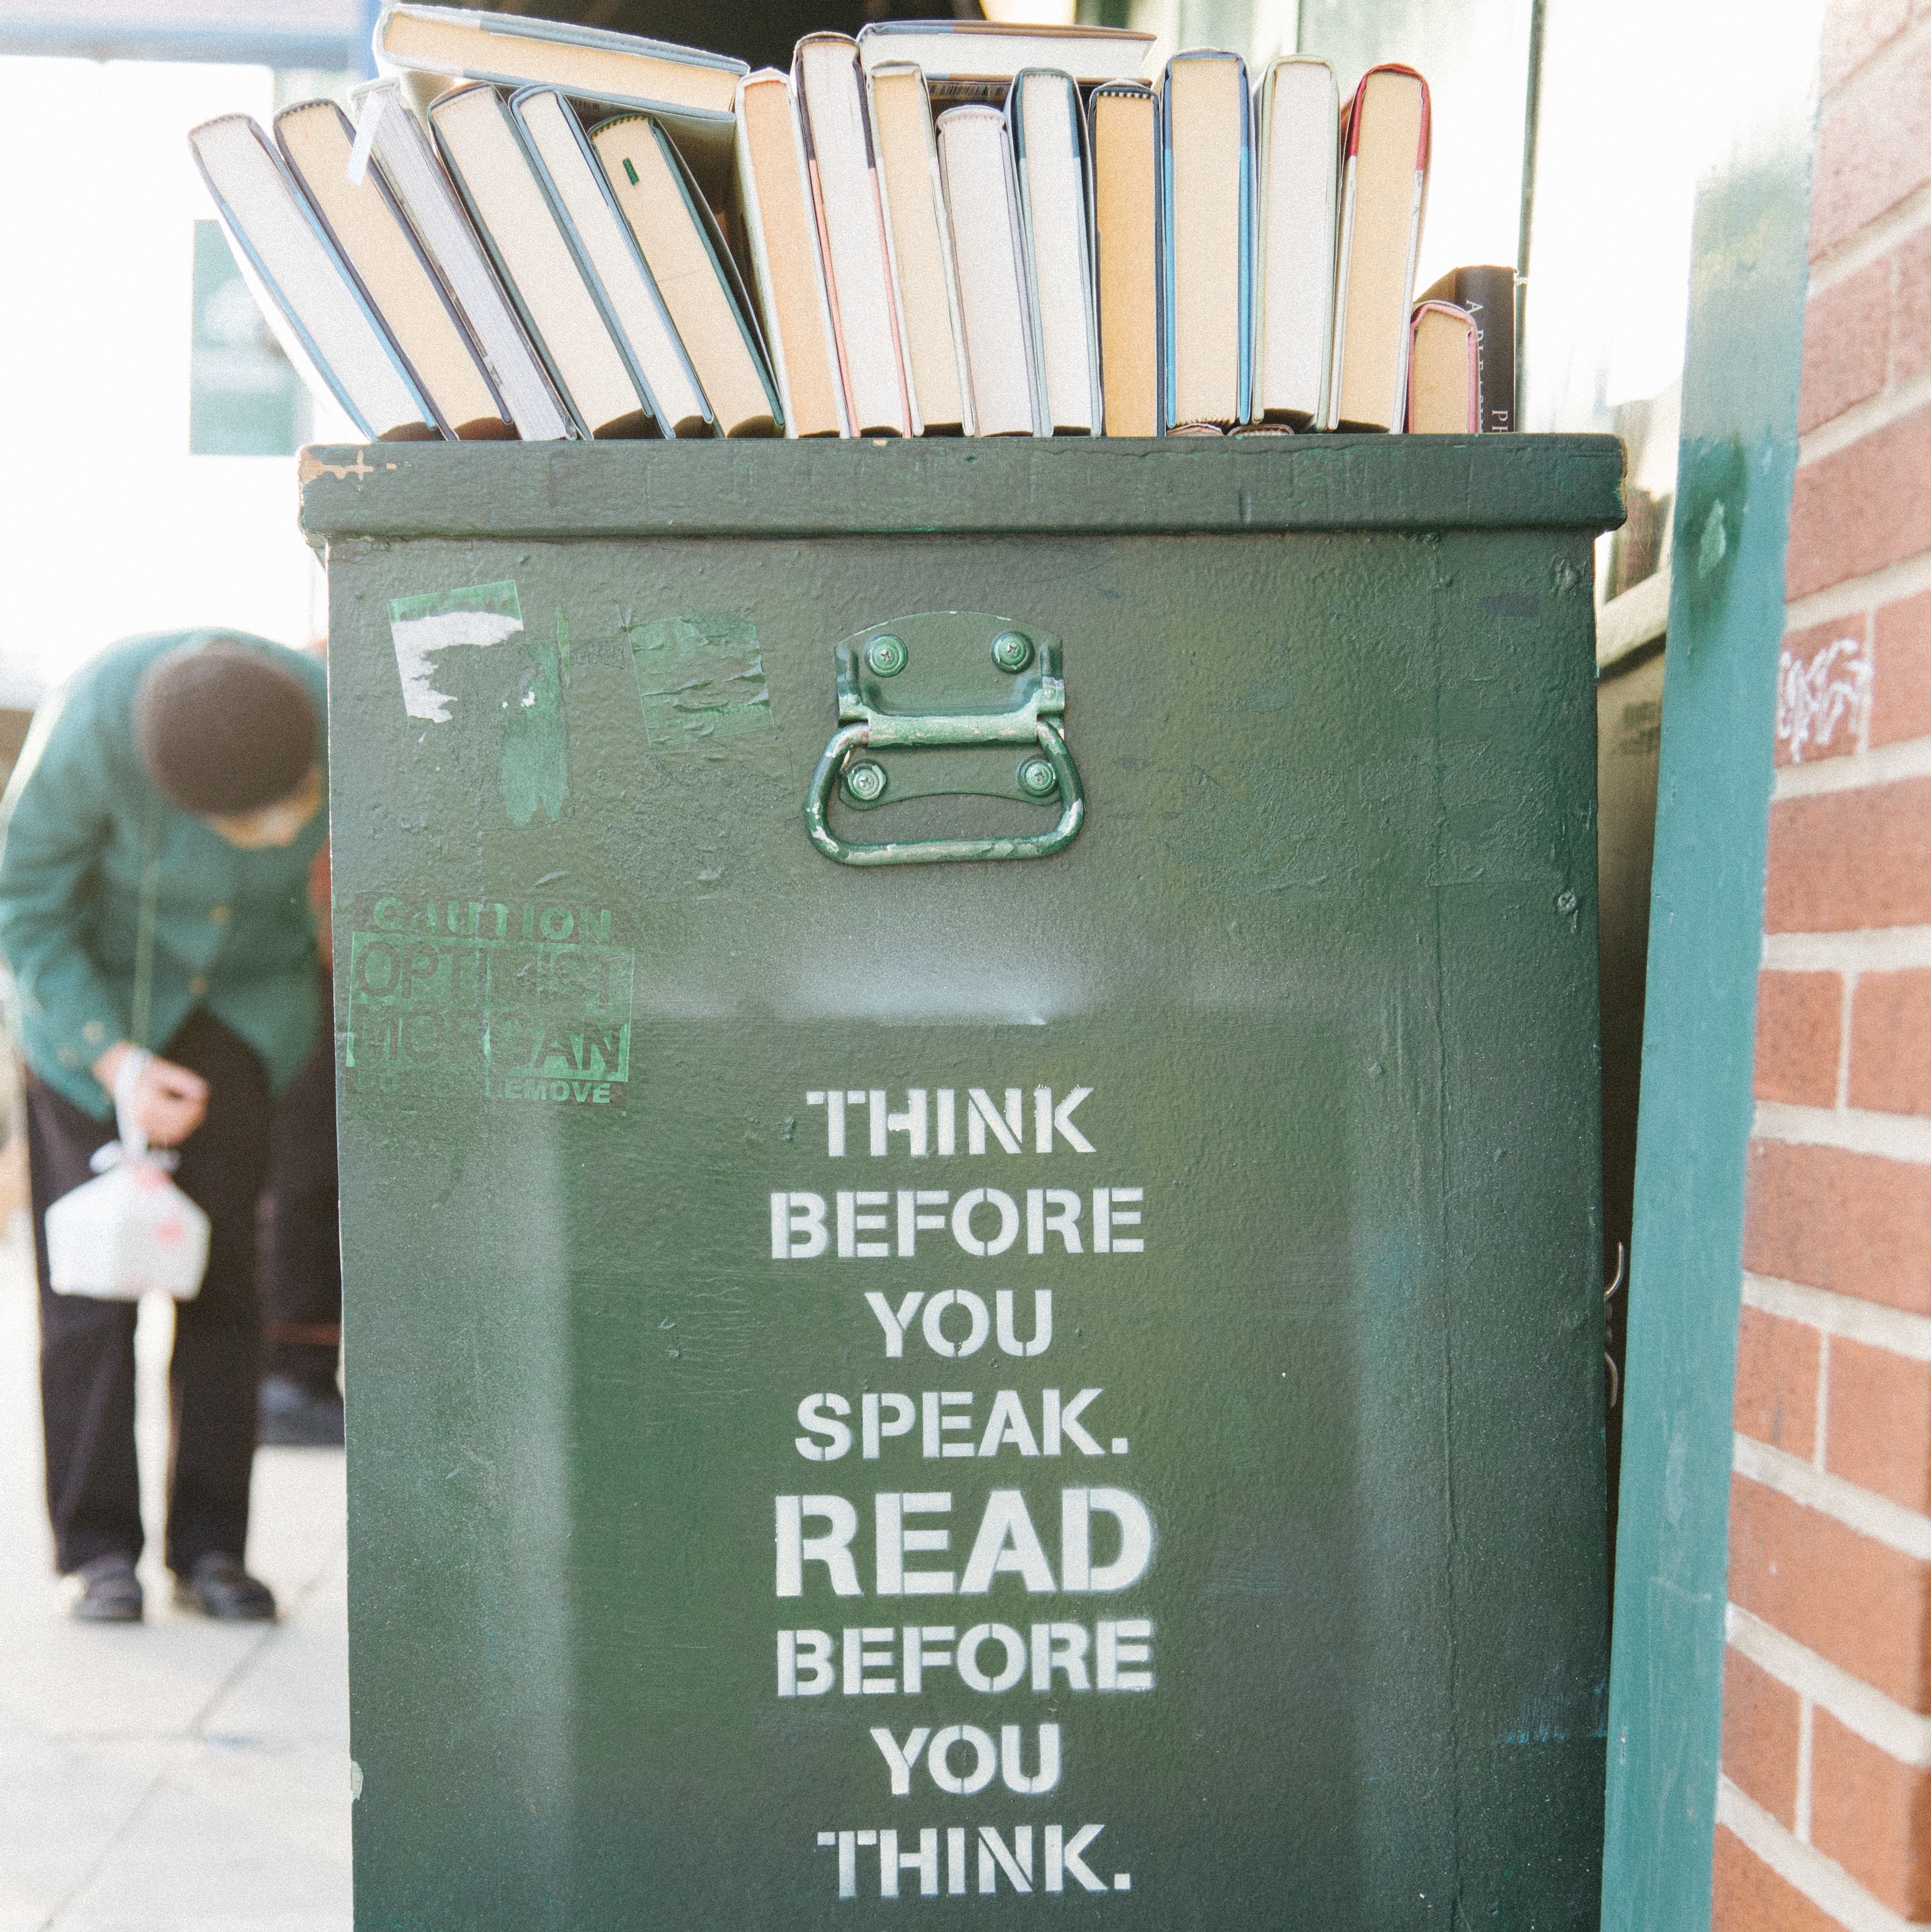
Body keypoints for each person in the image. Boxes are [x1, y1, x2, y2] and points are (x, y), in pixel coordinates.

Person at [0, 630, 328, 1622]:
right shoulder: (88, 727)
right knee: (92, 1298)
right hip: (93, 1019)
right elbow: (23, 907)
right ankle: (100, 1555)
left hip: (243, 1017)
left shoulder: (320, 701)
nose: (279, 833)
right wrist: (113, 1058)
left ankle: (212, 1554)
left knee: (226, 1288)